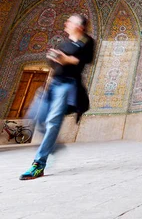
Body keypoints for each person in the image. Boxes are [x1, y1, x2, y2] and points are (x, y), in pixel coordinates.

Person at [19, 14, 95, 180]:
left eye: (71, 21)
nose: (66, 23)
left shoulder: (86, 41)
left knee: (53, 121)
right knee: (35, 116)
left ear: (80, 27)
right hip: (53, 84)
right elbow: (55, 64)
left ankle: (39, 164)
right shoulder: (63, 43)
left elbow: (82, 60)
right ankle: (52, 145)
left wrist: (65, 59)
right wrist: (53, 58)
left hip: (67, 86)